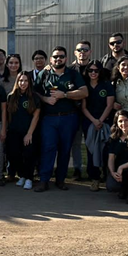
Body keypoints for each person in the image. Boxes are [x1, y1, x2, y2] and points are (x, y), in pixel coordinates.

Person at [33, 47, 88, 192]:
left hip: (68, 117)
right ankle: (44, 180)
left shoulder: (73, 74)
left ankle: (60, 180)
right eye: (55, 57)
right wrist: (45, 98)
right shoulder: (44, 74)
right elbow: (34, 91)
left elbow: (84, 92)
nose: (58, 59)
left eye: (61, 57)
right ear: (51, 59)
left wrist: (64, 95)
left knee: (65, 150)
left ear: (66, 58)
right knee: (48, 148)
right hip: (49, 119)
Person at [80, 60, 114, 191]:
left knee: (106, 150)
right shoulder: (84, 86)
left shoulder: (106, 85)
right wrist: (94, 121)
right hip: (89, 122)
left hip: (105, 121)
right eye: (90, 70)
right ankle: (94, 178)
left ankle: (108, 176)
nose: (93, 73)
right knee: (91, 150)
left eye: (96, 70)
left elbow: (110, 105)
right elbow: (83, 107)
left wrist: (100, 120)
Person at [5, 72, 39, 190]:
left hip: (29, 132)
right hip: (14, 131)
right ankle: (22, 176)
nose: (23, 83)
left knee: (29, 155)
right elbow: (8, 116)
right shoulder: (11, 96)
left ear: (29, 82)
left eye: (25, 81)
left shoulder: (34, 97)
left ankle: (29, 178)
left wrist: (29, 134)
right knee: (15, 154)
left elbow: (36, 116)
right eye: (20, 80)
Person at [69, 41, 94, 179]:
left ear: (90, 51)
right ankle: (77, 169)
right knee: (76, 143)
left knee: (92, 142)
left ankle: (94, 171)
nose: (82, 52)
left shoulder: (95, 68)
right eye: (79, 49)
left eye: (85, 49)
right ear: (75, 52)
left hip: (92, 111)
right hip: (75, 111)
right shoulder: (70, 69)